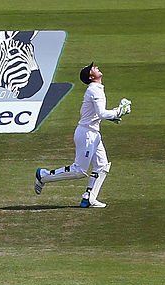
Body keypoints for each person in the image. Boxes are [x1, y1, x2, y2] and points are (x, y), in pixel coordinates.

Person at [33, 62, 131, 208]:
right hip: (86, 134)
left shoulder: (96, 89)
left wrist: (113, 116)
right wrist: (119, 111)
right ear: (91, 76)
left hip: (93, 133)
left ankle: (89, 198)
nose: (97, 68)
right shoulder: (94, 90)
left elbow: (95, 114)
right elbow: (101, 113)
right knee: (79, 170)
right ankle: (43, 175)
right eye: (94, 68)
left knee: (102, 165)